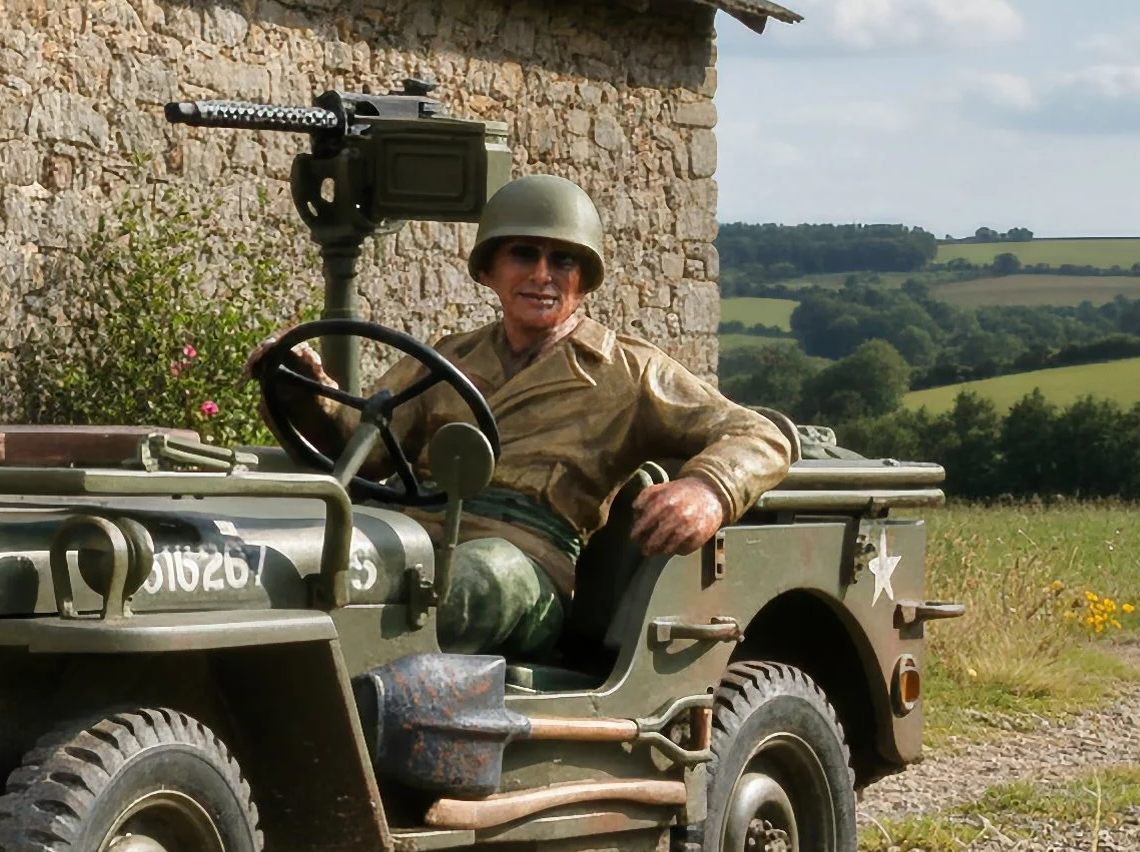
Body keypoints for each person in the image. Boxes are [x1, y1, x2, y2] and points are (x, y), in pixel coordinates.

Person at [252, 174, 794, 657]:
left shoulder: (629, 371)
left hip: (528, 561)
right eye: (524, 254)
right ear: (489, 269)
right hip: (413, 529)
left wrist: (709, 491)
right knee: (289, 566)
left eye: (563, 261)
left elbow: (760, 434)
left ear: (584, 278)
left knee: (465, 587)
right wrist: (306, 393)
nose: (543, 275)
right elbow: (361, 455)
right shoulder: (447, 359)